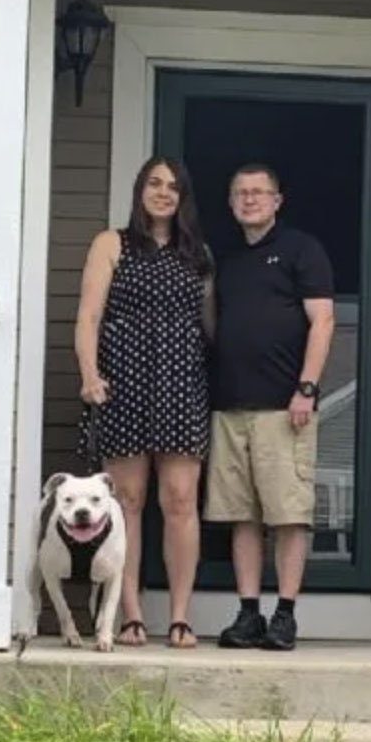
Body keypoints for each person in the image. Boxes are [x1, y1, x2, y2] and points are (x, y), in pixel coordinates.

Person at [74, 156, 214, 649]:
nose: (163, 193)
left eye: (174, 187)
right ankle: (128, 613)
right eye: (154, 183)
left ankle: (179, 615)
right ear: (140, 190)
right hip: (124, 383)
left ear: (183, 198)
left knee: (179, 500)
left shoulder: (196, 254)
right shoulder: (112, 244)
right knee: (127, 502)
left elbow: (211, 327)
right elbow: (89, 317)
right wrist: (90, 375)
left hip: (182, 384)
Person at [207, 163, 336, 651]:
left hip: (285, 407)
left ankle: (285, 614)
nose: (250, 199)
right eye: (241, 192)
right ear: (231, 201)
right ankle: (248, 615)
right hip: (228, 405)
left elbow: (322, 322)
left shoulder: (302, 250)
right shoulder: (228, 259)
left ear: (278, 200)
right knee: (242, 515)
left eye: (260, 192)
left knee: (287, 514)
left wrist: (307, 388)